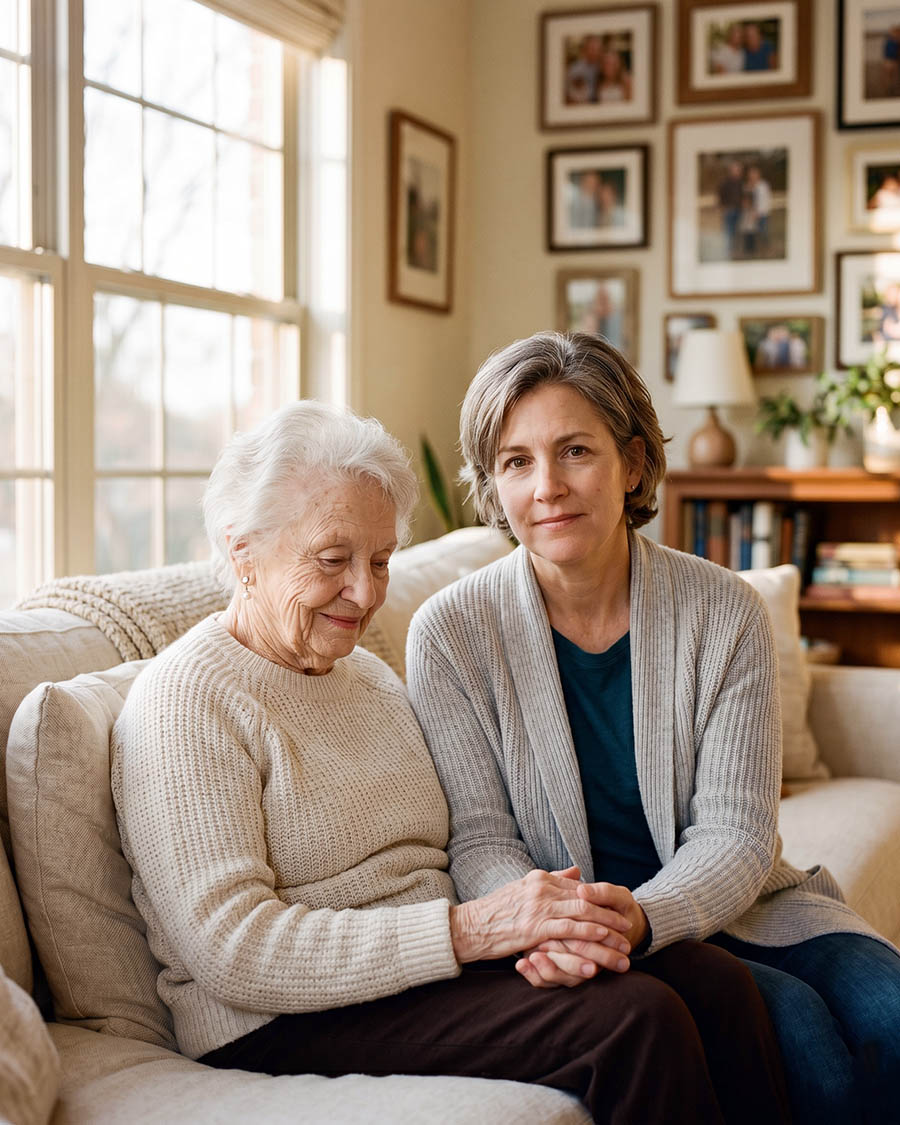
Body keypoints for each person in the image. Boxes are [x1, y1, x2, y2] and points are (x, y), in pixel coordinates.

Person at [110, 401, 790, 1124]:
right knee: (635, 1019)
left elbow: (462, 837)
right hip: (277, 1017)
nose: (366, 594)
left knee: (712, 982)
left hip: (430, 970)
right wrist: (473, 931)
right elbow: (233, 949)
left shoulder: (365, 675)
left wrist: (540, 929)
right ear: (242, 549)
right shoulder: (186, 698)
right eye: (333, 561)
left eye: (379, 561)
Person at [406, 331, 900, 1125]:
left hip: (738, 906)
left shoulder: (725, 609)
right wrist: (560, 926)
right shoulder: (449, 633)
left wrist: (641, 917)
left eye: (575, 451)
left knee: (893, 1013)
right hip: (578, 935)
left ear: (633, 463)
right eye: (517, 461)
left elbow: (738, 834)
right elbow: (480, 840)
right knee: (805, 1045)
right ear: (494, 485)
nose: (547, 488)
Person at [717, 160, 744, 257]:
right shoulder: (725, 183)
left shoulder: (740, 183)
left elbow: (742, 196)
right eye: (735, 170)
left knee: (737, 231)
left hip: (739, 210)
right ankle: (727, 252)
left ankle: (736, 251)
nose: (737, 172)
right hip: (728, 210)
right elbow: (720, 196)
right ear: (731, 171)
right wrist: (722, 208)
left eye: (739, 170)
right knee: (728, 232)